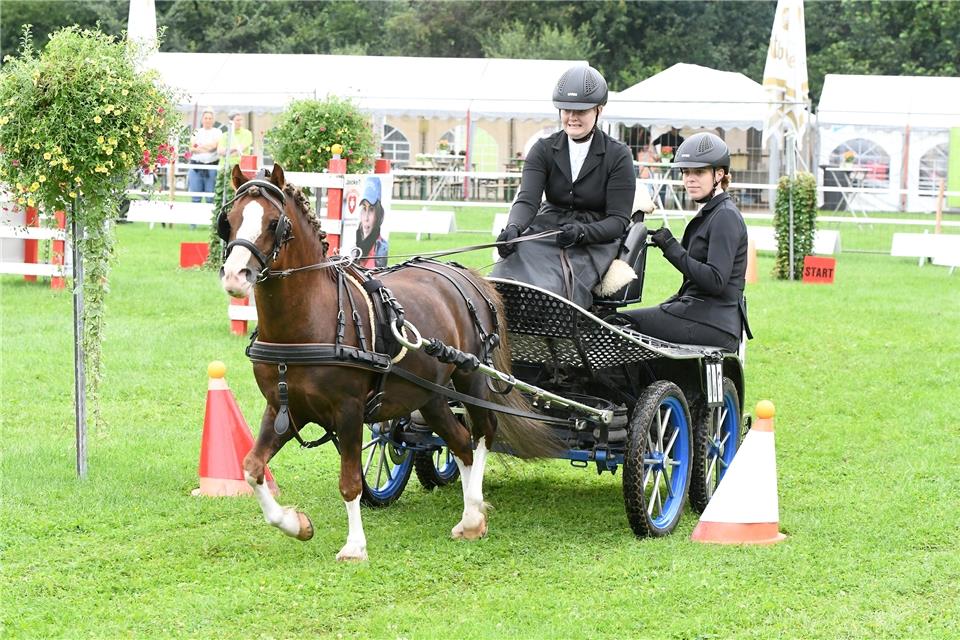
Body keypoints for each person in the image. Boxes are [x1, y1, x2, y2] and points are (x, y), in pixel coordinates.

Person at [491, 65, 635, 308]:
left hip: (594, 238)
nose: (572, 117)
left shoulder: (618, 155)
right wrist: (514, 227)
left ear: (599, 110)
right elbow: (527, 200)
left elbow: (619, 220)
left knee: (554, 282)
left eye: (581, 111)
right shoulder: (543, 149)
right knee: (509, 266)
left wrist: (582, 233)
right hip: (549, 227)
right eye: (567, 110)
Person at [622, 132, 752, 352]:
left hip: (714, 322)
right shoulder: (712, 212)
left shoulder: (725, 216)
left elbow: (715, 280)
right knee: (616, 321)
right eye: (686, 172)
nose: (690, 179)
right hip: (699, 313)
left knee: (618, 324)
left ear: (719, 174)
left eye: (699, 172)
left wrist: (672, 248)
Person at [187, 108, 221, 203]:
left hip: (211, 166)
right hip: (196, 167)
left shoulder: (217, 132)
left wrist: (200, 146)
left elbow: (214, 147)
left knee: (210, 196)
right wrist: (207, 147)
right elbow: (191, 148)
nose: (208, 120)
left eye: (210, 118)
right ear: (202, 119)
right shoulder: (197, 132)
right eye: (206, 118)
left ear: (213, 120)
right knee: (195, 197)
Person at [355, 176, 388, 269]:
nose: (366, 218)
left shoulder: (381, 248)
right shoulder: (355, 243)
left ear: (378, 214)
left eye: (371, 209)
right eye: (364, 208)